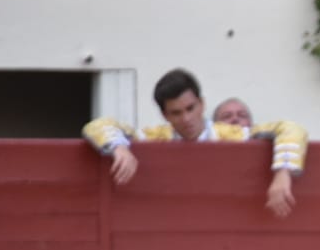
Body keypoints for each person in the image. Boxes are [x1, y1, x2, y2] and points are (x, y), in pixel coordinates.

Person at [82, 68, 305, 219]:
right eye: (176, 113)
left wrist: (282, 173)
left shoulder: (233, 135)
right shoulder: (155, 137)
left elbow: (291, 128)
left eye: (190, 109)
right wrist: (119, 148)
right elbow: (96, 126)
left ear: (202, 104)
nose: (186, 119)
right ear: (165, 115)